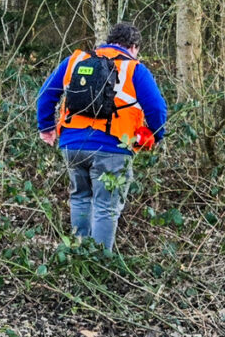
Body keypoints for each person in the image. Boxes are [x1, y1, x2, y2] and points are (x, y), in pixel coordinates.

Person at [35, 21, 167, 253]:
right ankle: (99, 261)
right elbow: (157, 109)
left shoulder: (75, 60)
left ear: (109, 41)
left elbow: (46, 95)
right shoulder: (134, 69)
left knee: (80, 198)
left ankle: (79, 254)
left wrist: (46, 127)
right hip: (112, 147)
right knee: (106, 207)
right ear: (134, 47)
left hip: (72, 145)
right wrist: (155, 135)